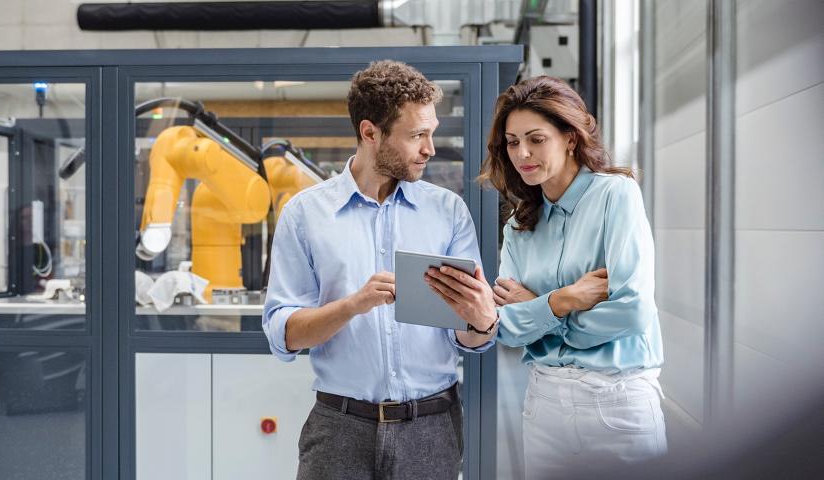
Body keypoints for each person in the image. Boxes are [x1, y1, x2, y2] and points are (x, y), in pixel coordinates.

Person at [262, 60, 497, 480]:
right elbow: (285, 334)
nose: (430, 148)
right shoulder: (305, 214)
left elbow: (469, 334)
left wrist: (482, 322)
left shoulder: (448, 212)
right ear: (370, 133)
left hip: (431, 428)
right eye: (417, 136)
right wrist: (352, 305)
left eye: (431, 133)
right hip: (339, 429)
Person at [426, 75, 666, 478]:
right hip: (544, 403)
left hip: (617, 403)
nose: (523, 153)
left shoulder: (615, 195)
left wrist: (538, 312)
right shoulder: (519, 224)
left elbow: (631, 313)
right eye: (513, 142)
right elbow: (504, 329)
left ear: (570, 138)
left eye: (536, 139)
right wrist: (563, 300)